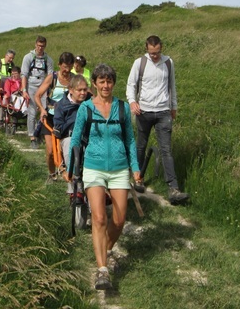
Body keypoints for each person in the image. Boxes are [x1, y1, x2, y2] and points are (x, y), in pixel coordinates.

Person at [68, 64, 141, 291]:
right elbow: (76, 140)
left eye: (109, 81)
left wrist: (135, 167)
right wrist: (71, 168)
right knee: (99, 218)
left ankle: (104, 250)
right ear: (95, 84)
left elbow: (130, 139)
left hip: (119, 167)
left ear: (113, 83)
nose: (106, 85)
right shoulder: (86, 109)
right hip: (94, 166)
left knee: (118, 220)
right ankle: (102, 270)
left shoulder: (122, 108)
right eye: (101, 81)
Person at [126, 35, 189, 205]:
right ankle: (138, 179)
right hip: (144, 111)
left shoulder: (168, 62)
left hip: (163, 112)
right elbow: (131, 85)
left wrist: (173, 107)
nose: (155, 56)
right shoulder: (140, 63)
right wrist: (132, 102)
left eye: (158, 52)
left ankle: (173, 189)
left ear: (162, 49)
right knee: (141, 145)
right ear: (147, 50)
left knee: (166, 150)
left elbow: (172, 85)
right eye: (152, 53)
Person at [34, 52, 75, 182]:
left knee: (67, 148)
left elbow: (86, 93)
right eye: (64, 67)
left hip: (67, 119)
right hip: (50, 117)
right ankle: (52, 174)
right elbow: (37, 95)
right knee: (51, 151)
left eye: (69, 67)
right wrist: (41, 109)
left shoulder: (75, 79)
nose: (66, 71)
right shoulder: (52, 78)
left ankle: (70, 173)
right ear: (59, 65)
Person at [53, 74, 90, 197]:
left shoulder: (91, 103)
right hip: (69, 137)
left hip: (88, 137)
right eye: (79, 90)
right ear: (71, 90)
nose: (83, 93)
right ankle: (73, 179)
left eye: (85, 89)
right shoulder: (61, 105)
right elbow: (58, 126)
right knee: (70, 145)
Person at [20, 36, 54, 149]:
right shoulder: (28, 57)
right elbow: (24, 74)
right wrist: (24, 90)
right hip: (31, 86)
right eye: (38, 45)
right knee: (32, 112)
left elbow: (50, 76)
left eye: (42, 46)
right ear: (35, 45)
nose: (40, 48)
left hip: (43, 87)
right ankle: (32, 137)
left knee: (44, 111)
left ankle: (41, 133)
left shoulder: (48, 60)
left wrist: (49, 90)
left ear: (45, 46)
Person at [2, 66, 24, 131]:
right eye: (12, 74)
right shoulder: (8, 81)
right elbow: (7, 91)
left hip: (22, 97)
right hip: (12, 98)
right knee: (16, 97)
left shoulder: (23, 81)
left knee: (23, 98)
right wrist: (7, 96)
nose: (13, 75)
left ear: (19, 74)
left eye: (15, 74)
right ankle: (18, 110)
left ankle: (25, 111)